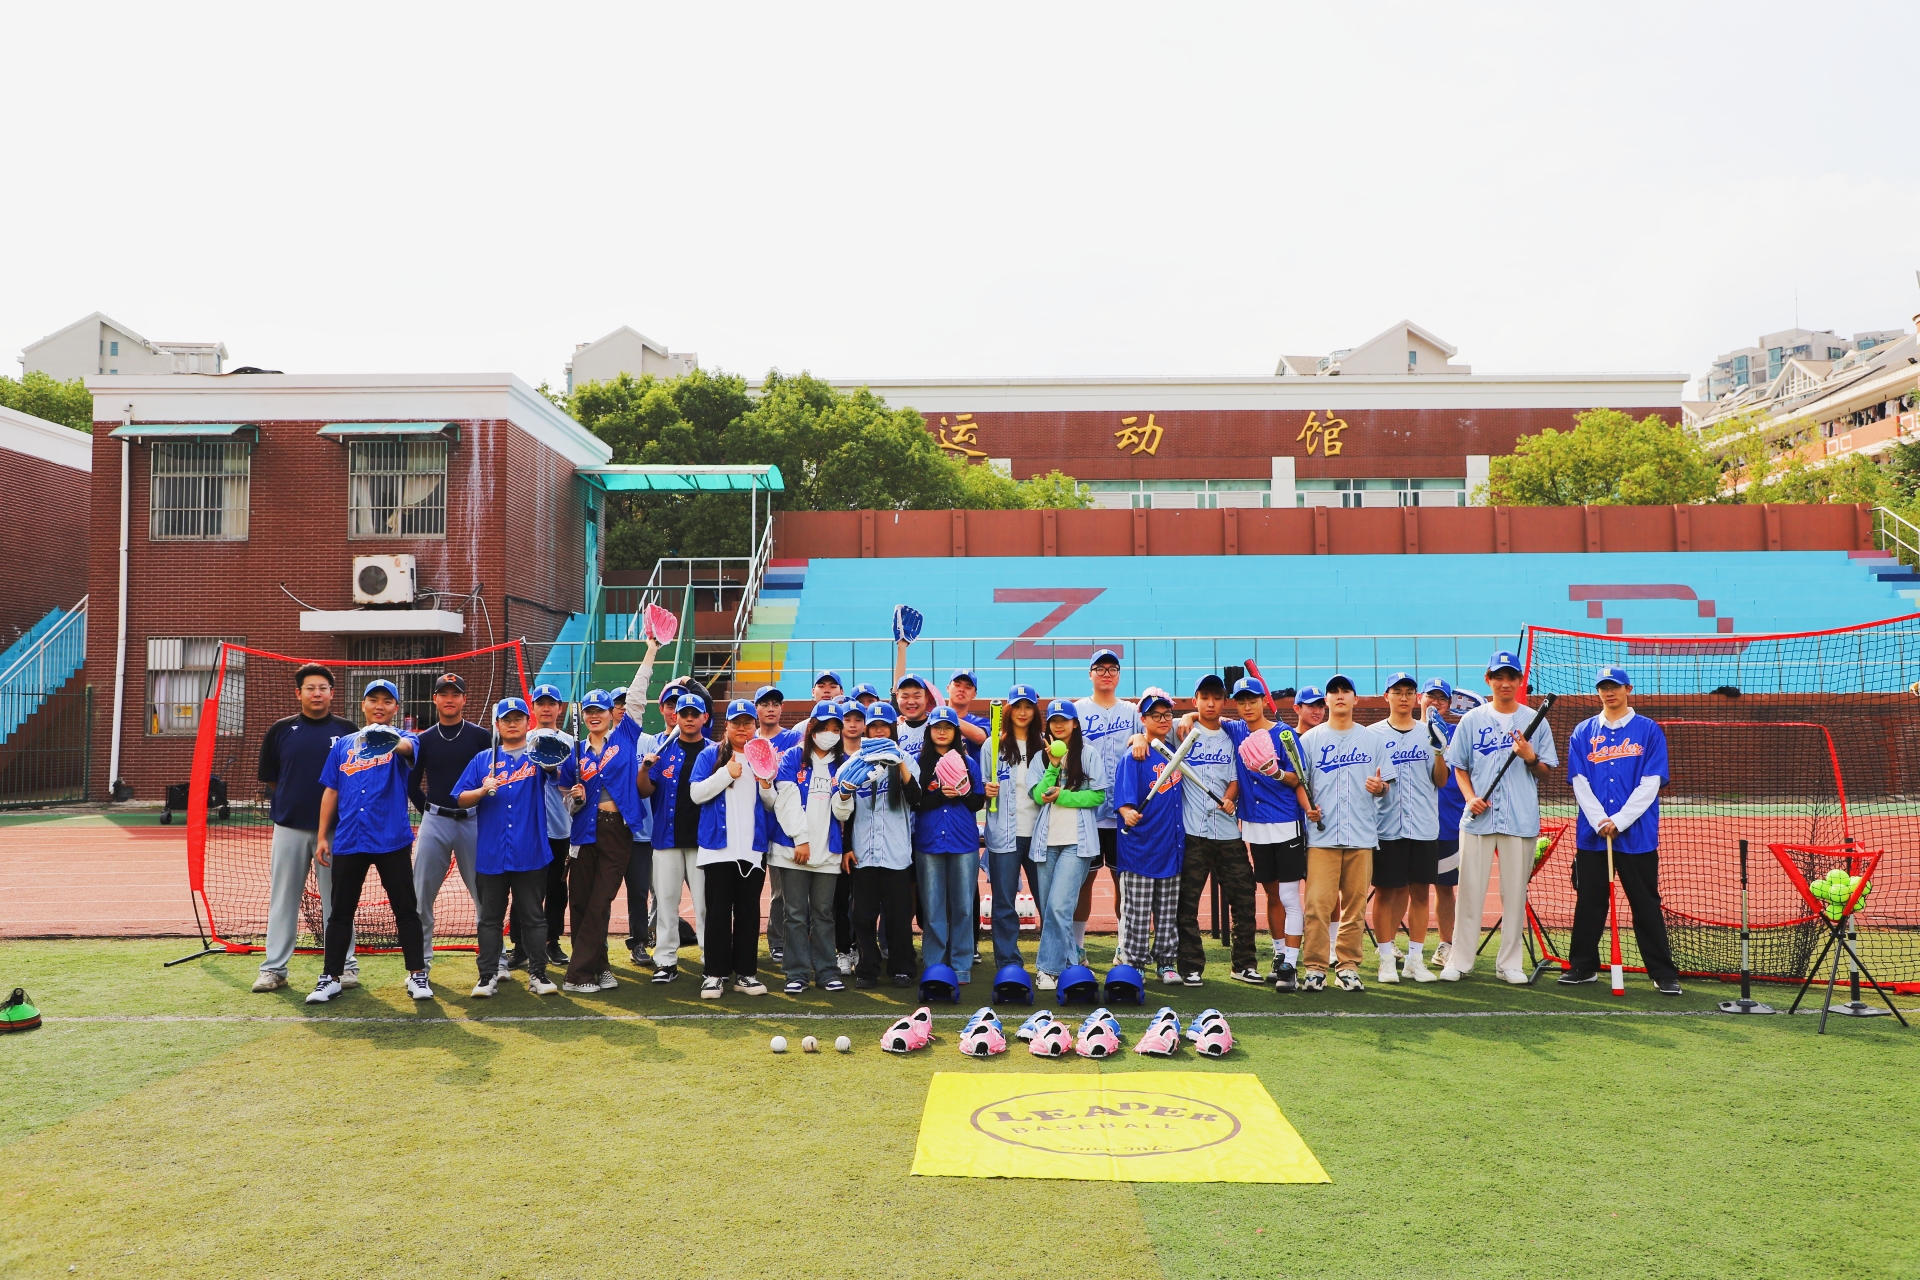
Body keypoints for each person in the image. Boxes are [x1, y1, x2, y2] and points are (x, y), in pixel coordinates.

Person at [308, 680, 430, 1004]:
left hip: (391, 839)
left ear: (396, 708)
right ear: (362, 705)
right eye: (373, 700)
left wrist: (387, 739)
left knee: (406, 909)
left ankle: (417, 974)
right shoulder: (343, 745)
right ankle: (331, 978)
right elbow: (331, 790)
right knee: (339, 912)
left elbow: (408, 750)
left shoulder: (404, 738)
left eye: (387, 701)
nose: (379, 706)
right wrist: (322, 836)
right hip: (350, 838)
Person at [1441, 650, 1558, 984]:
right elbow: (1459, 766)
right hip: (1477, 818)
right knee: (1469, 891)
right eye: (1498, 677)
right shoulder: (1472, 720)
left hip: (1519, 819)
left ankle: (1509, 964)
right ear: (1488, 680)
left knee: (1514, 894)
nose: (1505, 683)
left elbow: (1546, 771)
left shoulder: (1535, 719)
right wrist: (1470, 798)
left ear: (1520, 681)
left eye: (1511, 677)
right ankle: (1460, 960)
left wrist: (1529, 756)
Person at [1562, 666, 1681, 994]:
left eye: (1614, 686)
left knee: (1645, 903)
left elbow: (1651, 782)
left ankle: (1662, 971)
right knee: (1590, 902)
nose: (1609, 692)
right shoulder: (1583, 732)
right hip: (1594, 836)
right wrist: (1601, 820)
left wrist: (1621, 820)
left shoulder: (1649, 730)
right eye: (1603, 687)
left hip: (1637, 835)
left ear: (1628, 689)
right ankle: (1583, 966)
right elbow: (1579, 781)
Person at [252, 663, 360, 993]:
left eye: (323, 688)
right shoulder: (281, 730)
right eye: (310, 688)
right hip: (290, 827)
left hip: (337, 831)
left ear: (332, 693)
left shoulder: (348, 730)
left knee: (338, 901)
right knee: (283, 899)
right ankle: (274, 969)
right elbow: (273, 779)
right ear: (298, 693)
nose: (317, 693)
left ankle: (345, 966)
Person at [453, 698, 561, 997]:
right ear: (497, 725)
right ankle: (487, 976)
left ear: (528, 722)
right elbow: (460, 798)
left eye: (518, 718)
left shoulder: (537, 756)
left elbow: (555, 773)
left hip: (531, 851)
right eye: (506, 719)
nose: (512, 724)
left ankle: (538, 974)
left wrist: (549, 759)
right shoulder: (483, 760)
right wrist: (482, 789)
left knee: (533, 917)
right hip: (492, 854)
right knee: (489, 919)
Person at [1157, 674, 1259, 986]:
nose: (1210, 703)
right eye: (1204, 698)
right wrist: (1139, 739)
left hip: (1228, 833)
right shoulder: (1180, 730)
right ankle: (1190, 966)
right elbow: (1149, 733)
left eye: (1216, 698)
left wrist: (1230, 798)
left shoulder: (1233, 735)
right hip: (1192, 834)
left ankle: (1244, 964)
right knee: (1186, 905)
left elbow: (1235, 779)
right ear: (1195, 701)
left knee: (1244, 899)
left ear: (1224, 702)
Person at [1296, 673, 1395, 993]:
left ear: (1356, 699)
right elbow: (1299, 784)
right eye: (1334, 691)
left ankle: (1348, 967)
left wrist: (1380, 788)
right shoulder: (1310, 740)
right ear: (1326, 700)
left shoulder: (1372, 739)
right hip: (1322, 837)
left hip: (1361, 835)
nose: (1340, 695)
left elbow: (1387, 786)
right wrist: (1308, 808)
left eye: (1345, 691)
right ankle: (1315, 968)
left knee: (1355, 909)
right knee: (1317, 906)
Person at [687, 699, 777, 999]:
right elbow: (696, 794)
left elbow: (771, 804)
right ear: (726, 725)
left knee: (749, 914)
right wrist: (726, 773)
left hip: (752, 851)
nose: (742, 728)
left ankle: (746, 974)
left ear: (755, 725)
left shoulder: (764, 755)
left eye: (747, 723)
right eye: (736, 722)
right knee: (717, 914)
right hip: (718, 849)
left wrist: (766, 784)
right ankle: (715, 974)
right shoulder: (710, 754)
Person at [1225, 676, 1308, 990]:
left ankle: (1291, 964)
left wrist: (1276, 772)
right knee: (1271, 894)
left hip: (1285, 822)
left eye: (1253, 700)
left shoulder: (1284, 733)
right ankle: (1279, 954)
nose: (1248, 706)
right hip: (1255, 826)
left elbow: (1298, 778)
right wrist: (1190, 716)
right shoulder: (1236, 730)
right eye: (1242, 701)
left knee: (1288, 896)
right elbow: (1202, 718)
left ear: (1263, 701)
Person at [408, 672, 494, 966]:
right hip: (435, 821)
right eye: (443, 694)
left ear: (464, 699)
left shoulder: (481, 737)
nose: (449, 699)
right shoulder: (425, 740)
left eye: (455, 694)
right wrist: (431, 813)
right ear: (434, 699)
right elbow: (411, 784)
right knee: (421, 895)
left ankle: (493, 959)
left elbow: (491, 780)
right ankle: (420, 963)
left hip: (473, 821)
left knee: (485, 894)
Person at [1369, 673, 1449, 984]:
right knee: (1385, 893)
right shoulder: (1372, 735)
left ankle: (1415, 960)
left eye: (1409, 692)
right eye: (1397, 692)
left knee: (1420, 893)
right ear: (1386, 696)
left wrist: (1439, 751)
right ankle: (1386, 959)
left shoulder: (1429, 732)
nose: (1403, 697)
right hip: (1386, 827)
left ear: (1417, 697)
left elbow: (1441, 780)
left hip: (1423, 826)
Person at [834, 701, 920, 988]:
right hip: (863, 852)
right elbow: (845, 812)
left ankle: (902, 969)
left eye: (885, 726)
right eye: (874, 727)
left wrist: (899, 762)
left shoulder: (906, 759)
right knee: (863, 917)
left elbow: (916, 798)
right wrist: (847, 847)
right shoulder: (853, 762)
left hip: (896, 853)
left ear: (893, 729)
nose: (880, 731)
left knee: (898, 917)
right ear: (867, 730)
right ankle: (867, 970)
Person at [1027, 700, 1109, 989]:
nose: (1059, 725)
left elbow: (1098, 796)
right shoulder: (1040, 757)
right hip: (1045, 843)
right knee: (1050, 908)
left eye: (1065, 720)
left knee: (1060, 906)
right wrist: (1052, 766)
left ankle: (1049, 969)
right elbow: (1037, 795)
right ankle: (1071, 962)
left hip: (1078, 843)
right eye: (1054, 720)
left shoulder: (1088, 754)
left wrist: (1063, 796)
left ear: (1075, 723)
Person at [771, 701, 849, 993]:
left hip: (827, 851)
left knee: (823, 913)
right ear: (812, 727)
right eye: (825, 726)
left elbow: (843, 813)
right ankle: (796, 973)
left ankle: (827, 971)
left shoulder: (843, 764)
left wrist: (845, 796)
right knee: (794, 914)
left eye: (836, 728)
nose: (830, 733)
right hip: (793, 850)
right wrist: (800, 838)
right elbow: (786, 800)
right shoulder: (793, 757)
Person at [638, 692, 712, 984]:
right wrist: (644, 768)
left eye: (695, 714)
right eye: (684, 714)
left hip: (704, 841)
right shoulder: (662, 751)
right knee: (666, 904)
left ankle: (711, 960)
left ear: (705, 717)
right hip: (666, 838)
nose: (689, 718)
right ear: (675, 717)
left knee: (705, 905)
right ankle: (666, 962)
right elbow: (644, 790)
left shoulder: (715, 751)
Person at [1112, 690, 1185, 983]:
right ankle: (1134, 962)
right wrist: (1127, 812)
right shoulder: (1134, 756)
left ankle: (1166, 962)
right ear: (1143, 719)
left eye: (1167, 714)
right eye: (1155, 715)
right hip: (1140, 848)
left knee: (1168, 912)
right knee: (1137, 914)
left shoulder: (1175, 751)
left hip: (1171, 847)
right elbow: (1123, 801)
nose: (1163, 720)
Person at [1073, 649, 1141, 963]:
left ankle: (1124, 945)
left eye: (1112, 668)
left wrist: (1140, 739)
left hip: (1122, 813)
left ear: (1119, 675)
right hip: (1086, 812)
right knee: (1082, 882)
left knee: (1123, 883)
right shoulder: (1077, 710)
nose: (1106, 674)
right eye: (1099, 668)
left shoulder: (1132, 711)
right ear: (1090, 674)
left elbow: (1154, 733)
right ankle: (1077, 945)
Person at [914, 707, 987, 984]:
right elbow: (915, 802)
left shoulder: (969, 763)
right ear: (929, 731)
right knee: (932, 908)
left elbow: (977, 802)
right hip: (929, 841)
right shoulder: (919, 763)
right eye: (937, 727)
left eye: (948, 727)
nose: (942, 732)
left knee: (963, 907)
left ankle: (961, 964)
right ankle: (934, 964)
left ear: (956, 731)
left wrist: (962, 791)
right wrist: (940, 795)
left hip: (963, 842)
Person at [507, 684, 572, 971]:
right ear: (532, 707)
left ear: (560, 708)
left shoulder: (571, 743)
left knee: (556, 889)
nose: (546, 708)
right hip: (527, 828)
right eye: (540, 703)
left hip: (560, 827)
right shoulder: (521, 740)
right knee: (523, 888)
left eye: (551, 703)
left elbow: (573, 781)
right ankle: (520, 945)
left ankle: (551, 941)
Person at [981, 685, 1046, 971]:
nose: (1022, 712)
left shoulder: (1044, 745)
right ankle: (1008, 962)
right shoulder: (992, 745)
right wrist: (986, 791)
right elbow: (979, 787)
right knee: (1004, 904)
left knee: (1047, 901)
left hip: (1040, 835)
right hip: (1004, 835)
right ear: (1007, 710)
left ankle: (1052, 959)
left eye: (1028, 706)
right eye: (1017, 706)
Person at [1423, 679, 1465, 971]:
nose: (1435, 703)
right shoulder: (1406, 732)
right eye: (1431, 697)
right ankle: (1395, 945)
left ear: (1449, 704)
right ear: (1420, 699)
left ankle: (1446, 943)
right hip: (1410, 824)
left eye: (1442, 699)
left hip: (1448, 822)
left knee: (1444, 888)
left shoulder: (1458, 735)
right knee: (1403, 888)